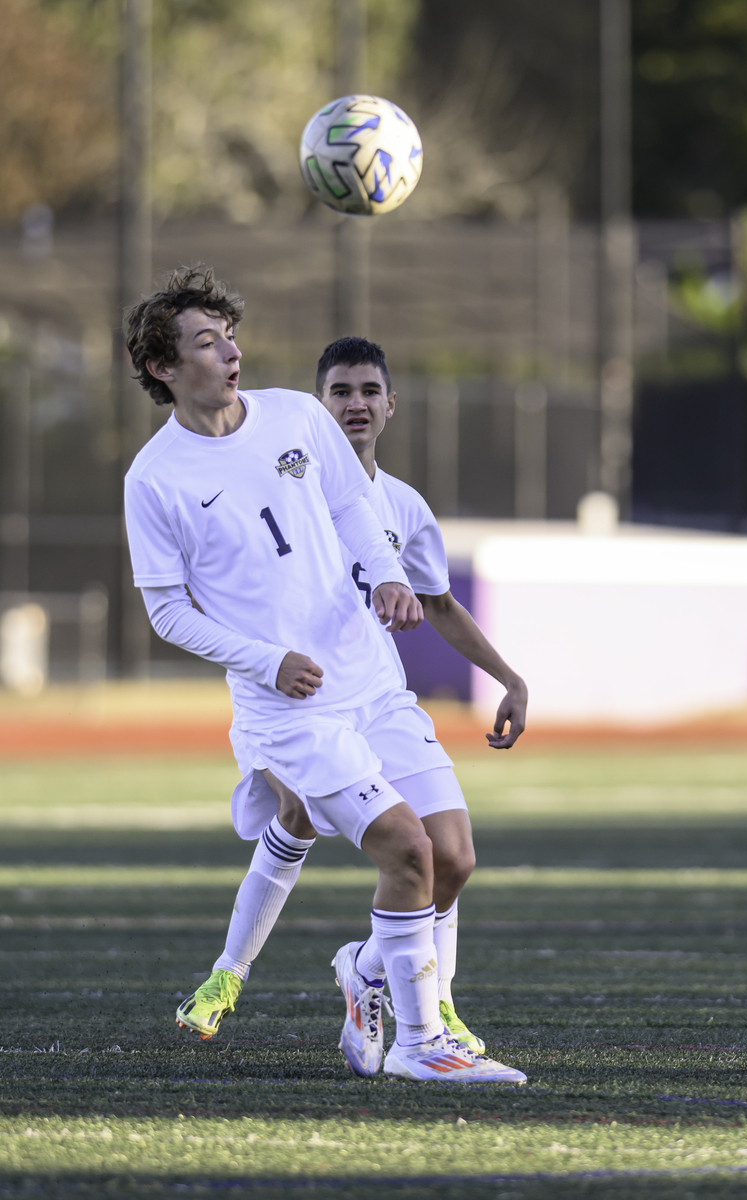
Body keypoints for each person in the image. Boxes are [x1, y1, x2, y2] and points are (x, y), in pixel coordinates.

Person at [124, 264, 523, 1083]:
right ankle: (421, 1048)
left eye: (230, 335)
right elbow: (166, 612)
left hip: (372, 683)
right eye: (205, 342)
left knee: (452, 856)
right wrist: (266, 659)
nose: (229, 352)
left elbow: (352, 510)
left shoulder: (296, 414)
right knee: (405, 851)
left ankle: (368, 970)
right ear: (164, 368)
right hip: (291, 712)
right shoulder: (154, 479)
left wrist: (384, 574)